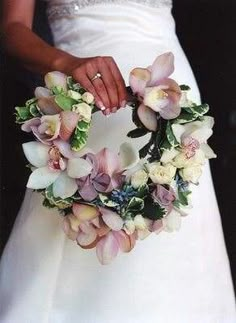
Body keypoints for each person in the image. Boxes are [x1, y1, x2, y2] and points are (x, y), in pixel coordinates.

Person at [0, 0, 235, 322]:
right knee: (76, 234)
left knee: (171, 243)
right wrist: (65, 63)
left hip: (167, 89)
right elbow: (13, 28)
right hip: (85, 92)